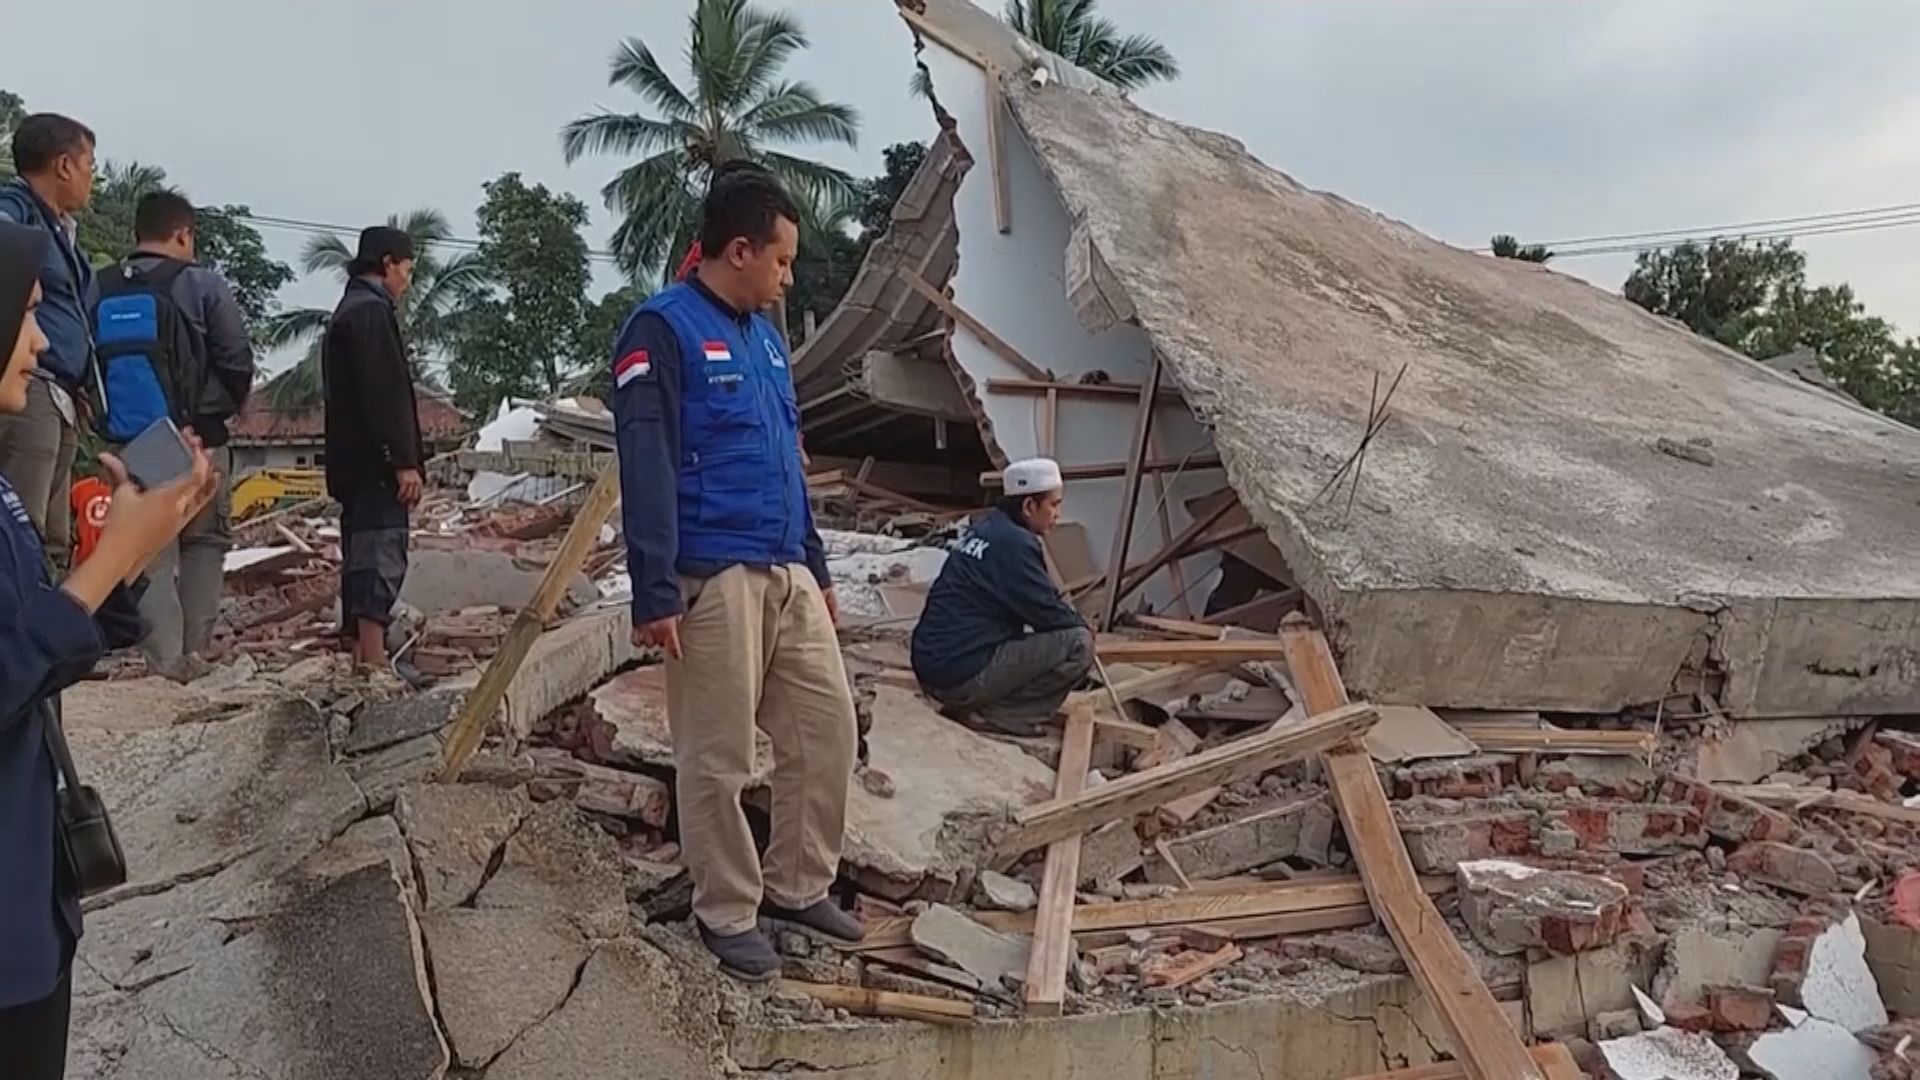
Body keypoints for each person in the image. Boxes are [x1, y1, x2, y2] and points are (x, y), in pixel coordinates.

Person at [613, 161, 862, 981]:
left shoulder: (766, 340)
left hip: (785, 566)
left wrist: (816, 562)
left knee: (828, 730)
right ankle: (726, 909)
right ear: (743, 249)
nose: (788, 279)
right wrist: (654, 589)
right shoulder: (662, 330)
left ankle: (799, 884)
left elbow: (788, 457)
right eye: (783, 261)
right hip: (711, 576)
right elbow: (644, 464)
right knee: (718, 757)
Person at [0, 221, 217, 1079]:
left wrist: (132, 555)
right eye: (23, 316)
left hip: (28, 902)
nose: (43, 341)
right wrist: (111, 564)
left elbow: (37, 647)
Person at [101, 190, 255, 680]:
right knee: (204, 542)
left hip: (130, 442)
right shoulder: (201, 284)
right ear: (183, 233)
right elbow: (236, 361)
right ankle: (193, 656)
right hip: (197, 441)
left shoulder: (98, 286)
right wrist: (204, 419)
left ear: (136, 235)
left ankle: (161, 665)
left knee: (147, 549)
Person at [911, 458, 1094, 735]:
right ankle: (1003, 715)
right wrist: (1082, 623)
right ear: (1029, 506)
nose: (1058, 513)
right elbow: (1048, 615)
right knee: (1079, 643)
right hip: (959, 678)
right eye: (1053, 505)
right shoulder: (1015, 544)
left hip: (933, 665)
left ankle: (981, 703)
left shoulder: (987, 528)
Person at [321, 226, 423, 670]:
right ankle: (374, 661)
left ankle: (366, 657)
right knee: (377, 553)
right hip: (374, 466)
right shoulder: (369, 313)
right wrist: (401, 460)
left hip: (354, 463)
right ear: (387, 264)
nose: (408, 280)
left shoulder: (351, 309)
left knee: (363, 551)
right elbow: (383, 394)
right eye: (407, 269)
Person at [0, 114, 96, 567]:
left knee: (54, 539)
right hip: (30, 388)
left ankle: (40, 629)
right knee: (23, 529)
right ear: (63, 165)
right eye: (88, 164)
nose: (90, 178)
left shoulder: (63, 234)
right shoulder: (13, 213)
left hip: (61, 396)